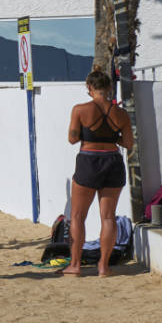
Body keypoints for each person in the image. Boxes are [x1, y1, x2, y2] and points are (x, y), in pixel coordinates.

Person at [64, 67, 133, 277]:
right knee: (108, 217)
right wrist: (110, 137)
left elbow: (72, 138)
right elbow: (128, 143)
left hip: (88, 161)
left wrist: (90, 134)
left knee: (77, 216)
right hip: (113, 161)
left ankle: (75, 265)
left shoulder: (80, 110)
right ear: (110, 87)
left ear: (89, 87)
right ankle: (103, 266)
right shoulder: (121, 114)